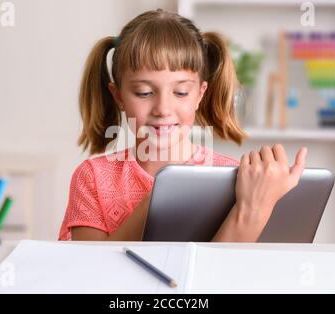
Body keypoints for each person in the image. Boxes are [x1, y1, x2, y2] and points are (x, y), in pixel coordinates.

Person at [58, 9, 307, 242]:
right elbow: (95, 274)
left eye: (180, 92)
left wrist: (253, 207)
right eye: (144, 92)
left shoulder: (237, 180)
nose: (163, 109)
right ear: (119, 97)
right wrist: (160, 197)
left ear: (199, 94)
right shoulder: (92, 178)